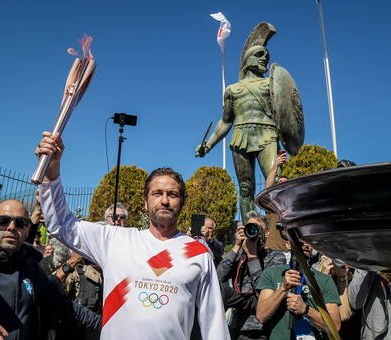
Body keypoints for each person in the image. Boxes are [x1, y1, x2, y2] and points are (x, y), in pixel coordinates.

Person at [36, 131, 230, 340]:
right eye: (157, 193)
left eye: (172, 194)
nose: (164, 200)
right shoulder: (114, 240)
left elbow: (214, 325)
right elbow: (62, 225)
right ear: (145, 202)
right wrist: (51, 172)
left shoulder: (198, 253)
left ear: (181, 203)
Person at [196, 23, 303, 225]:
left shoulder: (271, 83)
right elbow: (225, 122)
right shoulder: (232, 90)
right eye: (260, 55)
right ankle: (249, 231)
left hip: (267, 134)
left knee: (276, 182)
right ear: (247, 60)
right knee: (245, 187)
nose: (265, 58)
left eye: (267, 57)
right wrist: (208, 145)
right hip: (241, 136)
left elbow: (287, 110)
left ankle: (280, 229)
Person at [0, 198, 101, 339]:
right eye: (2, 220)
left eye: (20, 222)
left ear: (27, 229)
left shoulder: (32, 269)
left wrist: (110, 324)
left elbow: (68, 309)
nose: (11, 227)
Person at [217, 210, 286, 339]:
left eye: (257, 228)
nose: (252, 232)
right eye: (249, 228)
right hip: (235, 325)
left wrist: (252, 257)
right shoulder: (240, 255)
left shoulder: (275, 257)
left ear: (266, 232)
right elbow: (219, 277)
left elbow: (263, 292)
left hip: (257, 329)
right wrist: (236, 247)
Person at [256, 240, 341, 340]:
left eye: (308, 241)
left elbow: (335, 326)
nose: (305, 244)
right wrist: (283, 288)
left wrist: (305, 310)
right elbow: (261, 315)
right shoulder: (271, 274)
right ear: (288, 244)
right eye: (299, 240)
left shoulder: (324, 280)